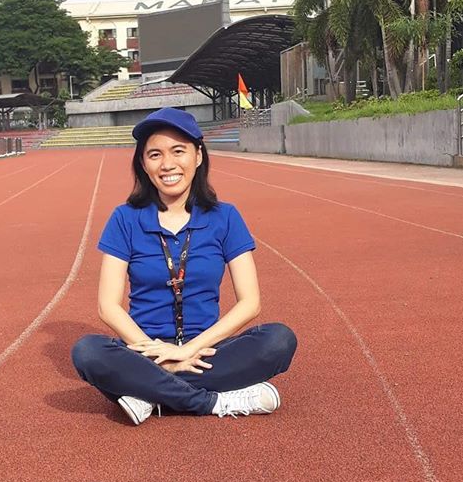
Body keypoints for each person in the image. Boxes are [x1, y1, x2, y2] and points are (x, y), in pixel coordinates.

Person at [71, 107, 297, 424]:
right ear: (143, 164)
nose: (167, 164)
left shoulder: (225, 216)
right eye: (155, 155)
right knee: (88, 352)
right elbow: (108, 307)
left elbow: (250, 303)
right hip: (144, 353)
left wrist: (185, 352)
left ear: (198, 155)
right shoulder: (125, 219)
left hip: (207, 352)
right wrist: (159, 357)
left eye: (178, 151)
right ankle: (211, 401)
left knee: (279, 340)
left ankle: (148, 393)